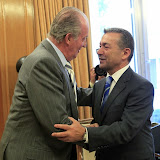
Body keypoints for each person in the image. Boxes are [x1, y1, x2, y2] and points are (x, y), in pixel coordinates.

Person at [0, 6, 92, 160]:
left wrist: (107, 90)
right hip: (33, 154)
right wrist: (91, 133)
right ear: (69, 38)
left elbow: (73, 95)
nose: (85, 45)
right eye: (83, 38)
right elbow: (58, 125)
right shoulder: (44, 62)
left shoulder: (53, 59)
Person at [51, 28, 155, 160]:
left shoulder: (141, 87)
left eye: (105, 47)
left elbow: (125, 130)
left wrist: (85, 133)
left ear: (125, 53)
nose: (99, 52)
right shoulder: (101, 85)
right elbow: (77, 95)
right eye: (99, 46)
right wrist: (58, 73)